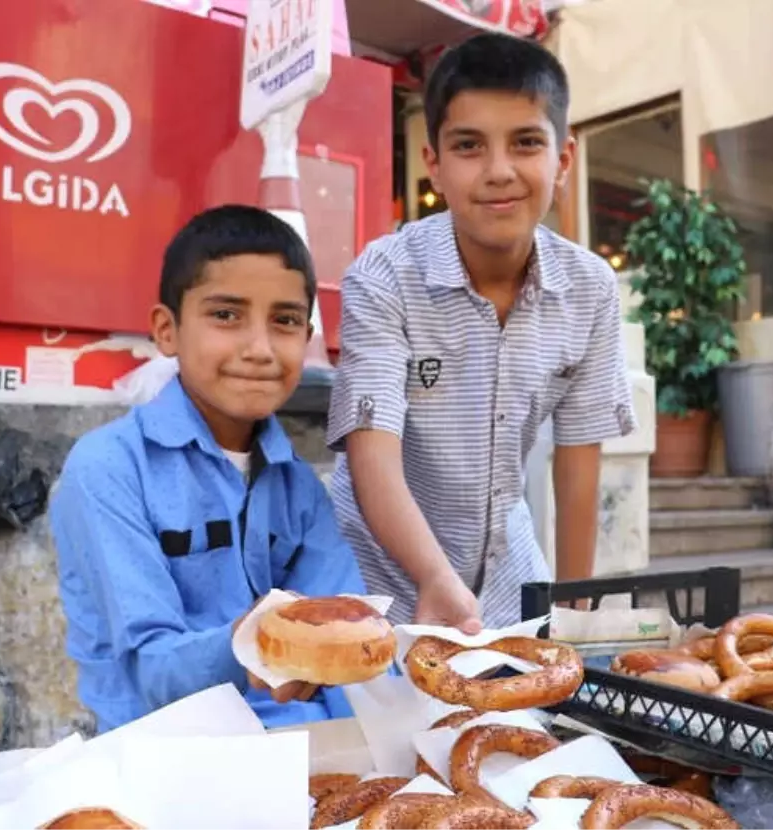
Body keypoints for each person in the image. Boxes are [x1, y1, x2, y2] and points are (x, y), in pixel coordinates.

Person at [326, 33, 637, 632]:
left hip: (508, 568)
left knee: (529, 716)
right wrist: (432, 577)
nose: (499, 172)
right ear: (434, 164)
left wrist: (574, 609)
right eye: (469, 146)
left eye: (525, 143)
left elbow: (578, 461)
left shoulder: (591, 287)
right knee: (392, 722)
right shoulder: (383, 276)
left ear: (563, 160)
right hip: (383, 569)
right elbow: (372, 457)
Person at [50, 205, 366, 733]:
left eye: (284, 321)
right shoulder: (108, 470)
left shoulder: (299, 487)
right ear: (166, 330)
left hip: (307, 757)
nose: (260, 349)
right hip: (166, 759)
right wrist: (256, 640)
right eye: (226, 315)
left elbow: (340, 640)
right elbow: (153, 674)